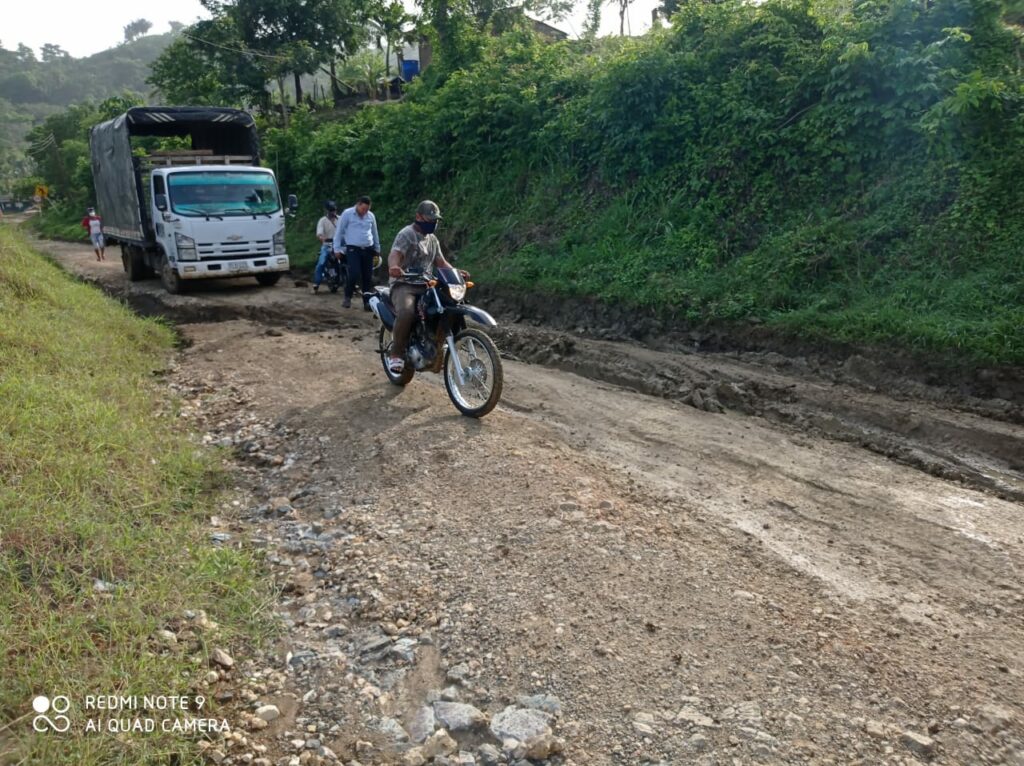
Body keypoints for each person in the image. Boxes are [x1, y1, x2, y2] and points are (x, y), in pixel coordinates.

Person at [385, 200, 462, 375]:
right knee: (407, 312)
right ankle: (396, 354)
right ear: (418, 217)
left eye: (435, 220)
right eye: (429, 219)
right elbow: (395, 254)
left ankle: (436, 346)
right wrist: (394, 267)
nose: (433, 223)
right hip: (404, 285)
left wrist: (455, 273)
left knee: (447, 308)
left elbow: (441, 263)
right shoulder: (406, 234)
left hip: (427, 284)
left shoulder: (432, 239)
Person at [332, 195, 381, 309]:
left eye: (367, 210)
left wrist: (377, 248)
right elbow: (339, 232)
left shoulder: (370, 216)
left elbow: (375, 233)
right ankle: (347, 296)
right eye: (363, 209)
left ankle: (367, 302)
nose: (365, 212)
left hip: (368, 249)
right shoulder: (347, 214)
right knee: (354, 273)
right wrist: (337, 248)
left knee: (367, 277)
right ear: (358, 205)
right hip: (353, 248)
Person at [312, 201, 339, 294]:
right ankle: (316, 283)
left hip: (338, 245)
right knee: (321, 262)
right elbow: (319, 234)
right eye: (331, 210)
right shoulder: (322, 221)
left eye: (334, 210)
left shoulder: (340, 219)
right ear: (327, 211)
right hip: (327, 245)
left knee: (348, 261)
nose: (333, 212)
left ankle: (352, 283)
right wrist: (323, 239)